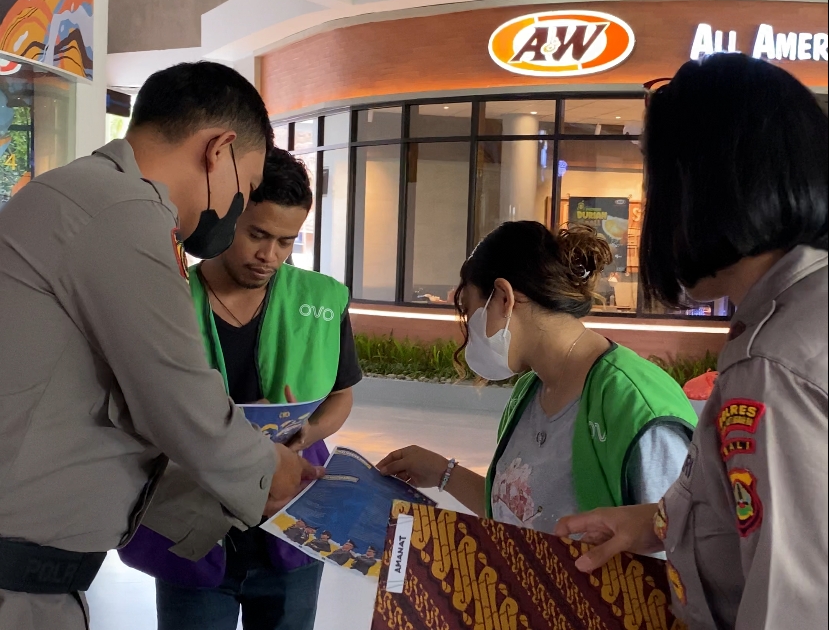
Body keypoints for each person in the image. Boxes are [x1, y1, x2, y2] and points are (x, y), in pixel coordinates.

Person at [0, 62, 319, 630]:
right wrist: (272, 469)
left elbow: (114, 407)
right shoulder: (125, 211)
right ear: (219, 150)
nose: (237, 208)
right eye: (244, 190)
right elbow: (175, 397)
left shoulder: (85, 195)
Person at [555, 54, 828, 630]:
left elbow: (790, 606)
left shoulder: (771, 366)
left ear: (704, 187)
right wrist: (655, 522)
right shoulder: (803, 309)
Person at [144, 148, 361, 630]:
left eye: (287, 241)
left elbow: (341, 395)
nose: (270, 256)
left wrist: (306, 433)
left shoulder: (321, 301)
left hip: (291, 521)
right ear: (229, 220)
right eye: (257, 235)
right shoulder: (170, 298)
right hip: (194, 516)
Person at [378, 221, 698, 533]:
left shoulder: (634, 405)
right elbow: (520, 514)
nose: (467, 336)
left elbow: (681, 541)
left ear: (503, 298)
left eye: (469, 311)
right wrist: (442, 473)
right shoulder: (529, 392)